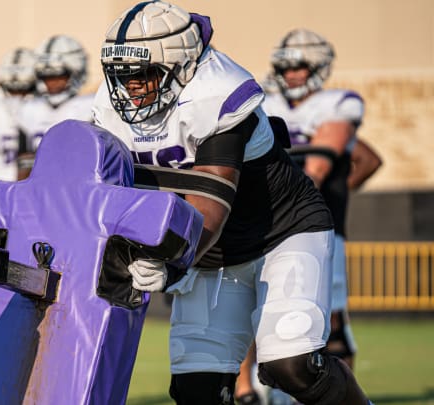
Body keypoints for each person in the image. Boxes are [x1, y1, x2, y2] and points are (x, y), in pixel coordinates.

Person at [92, 2, 372, 404]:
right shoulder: (108, 106)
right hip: (213, 253)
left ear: (182, 65)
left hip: (281, 233)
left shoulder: (215, 92)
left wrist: (169, 263)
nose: (131, 86)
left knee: (291, 366)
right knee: (196, 389)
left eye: (144, 73)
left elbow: (209, 206)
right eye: (122, 74)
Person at [235, 28, 384, 405]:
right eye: (286, 66)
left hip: (315, 228)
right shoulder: (266, 102)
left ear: (318, 66)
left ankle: (331, 393)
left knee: (329, 320)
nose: (292, 73)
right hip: (262, 227)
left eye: (300, 66)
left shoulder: (338, 104)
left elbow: (321, 167)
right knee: (254, 310)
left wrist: (334, 191)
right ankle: (247, 390)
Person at [17, 34, 94, 179]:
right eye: (46, 77)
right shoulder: (29, 109)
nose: (52, 83)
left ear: (76, 73)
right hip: (39, 187)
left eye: (58, 75)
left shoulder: (91, 108)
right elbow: (24, 165)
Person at [0, 47, 37, 181]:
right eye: (11, 90)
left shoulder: (46, 110)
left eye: (23, 89)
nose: (17, 97)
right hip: (1, 184)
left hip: (37, 188)